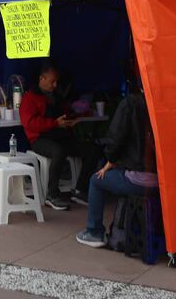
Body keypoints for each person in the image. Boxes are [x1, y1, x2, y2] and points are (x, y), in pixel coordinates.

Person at [76, 87, 158, 248]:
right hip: (162, 181)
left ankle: (94, 232)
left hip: (138, 179)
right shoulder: (164, 102)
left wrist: (110, 162)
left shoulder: (130, 104)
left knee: (96, 180)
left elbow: (116, 138)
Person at [19, 61, 101, 210]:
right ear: (41, 79)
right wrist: (55, 123)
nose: (55, 85)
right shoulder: (29, 98)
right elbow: (30, 123)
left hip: (61, 136)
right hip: (39, 139)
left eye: (57, 81)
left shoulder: (56, 96)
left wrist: (72, 119)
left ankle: (79, 190)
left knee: (92, 149)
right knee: (59, 151)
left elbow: (64, 112)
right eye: (52, 81)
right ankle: (52, 195)